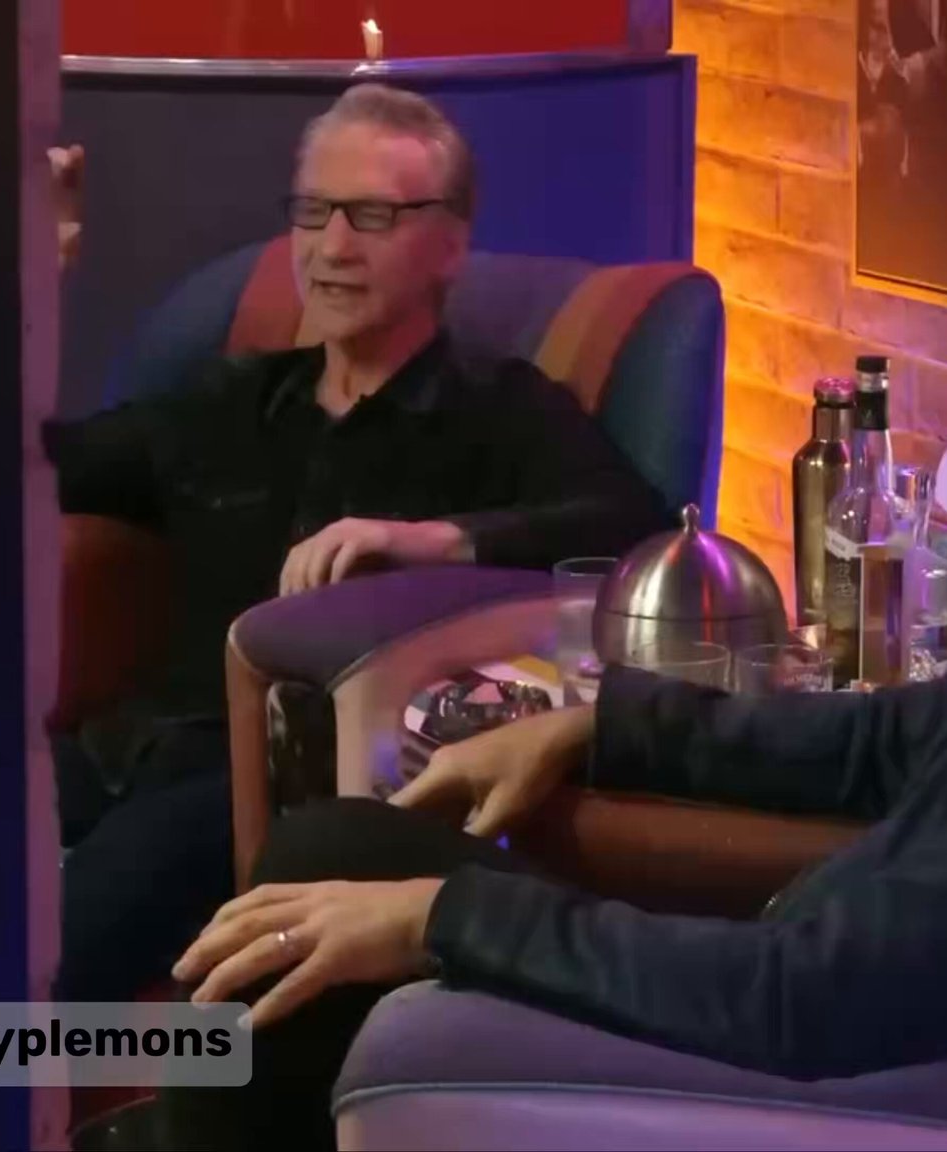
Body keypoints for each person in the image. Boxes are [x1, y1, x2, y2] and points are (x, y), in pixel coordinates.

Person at [162, 150, 947, 1150]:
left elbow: (819, 996)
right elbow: (893, 738)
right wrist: (605, 726)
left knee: (320, 942)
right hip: (798, 973)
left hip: (804, 1070)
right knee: (330, 856)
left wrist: (440, 921)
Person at [46, 83, 671, 1002]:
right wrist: (35, 278)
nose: (333, 246)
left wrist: (434, 541)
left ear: (449, 244)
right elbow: (33, 466)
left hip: (272, 785)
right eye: (313, 211)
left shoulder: (499, 412)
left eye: (372, 216)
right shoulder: (230, 400)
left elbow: (639, 529)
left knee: (42, 955)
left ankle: (20, 1078)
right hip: (122, 749)